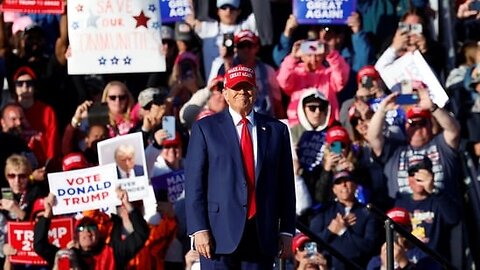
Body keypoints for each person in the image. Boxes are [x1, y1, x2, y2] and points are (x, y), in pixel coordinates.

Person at [185, 65, 295, 269]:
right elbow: (194, 183)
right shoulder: (205, 128)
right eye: (236, 87)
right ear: (225, 93)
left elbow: (286, 184)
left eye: (247, 87)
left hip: (262, 233)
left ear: (256, 91)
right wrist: (199, 229)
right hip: (218, 235)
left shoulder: (276, 130)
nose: (242, 92)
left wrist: (287, 230)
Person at [366, 86, 461, 200]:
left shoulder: (441, 145)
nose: (417, 127)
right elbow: (373, 138)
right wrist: (382, 111)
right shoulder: (395, 149)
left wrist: (433, 108)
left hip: (440, 211)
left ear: (430, 125)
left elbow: (453, 130)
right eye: (412, 123)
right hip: (403, 214)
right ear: (405, 126)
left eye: (421, 123)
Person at [33, 189, 150, 269]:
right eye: (81, 228)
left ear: (99, 233)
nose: (86, 231)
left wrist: (127, 204)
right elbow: (39, 245)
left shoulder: (114, 253)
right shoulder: (68, 256)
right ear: (75, 237)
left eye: (91, 227)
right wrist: (47, 214)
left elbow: (142, 233)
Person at [310, 171, 380, 270]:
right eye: (339, 182)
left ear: (355, 186)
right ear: (334, 190)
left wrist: (343, 231)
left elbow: (370, 247)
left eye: (347, 180)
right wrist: (329, 231)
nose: (344, 184)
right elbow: (310, 244)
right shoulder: (324, 212)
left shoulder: (367, 213)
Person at [395, 155, 461, 258]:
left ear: (432, 176)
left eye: (422, 174)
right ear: (408, 179)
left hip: (435, 262)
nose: (417, 178)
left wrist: (434, 190)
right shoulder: (400, 203)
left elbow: (454, 219)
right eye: (413, 174)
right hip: (408, 261)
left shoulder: (439, 199)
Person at [367, 207, 442, 270]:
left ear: (410, 229)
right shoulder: (376, 261)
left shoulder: (424, 255)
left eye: (401, 228)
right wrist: (384, 267)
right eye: (392, 231)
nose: (397, 234)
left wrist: (404, 262)